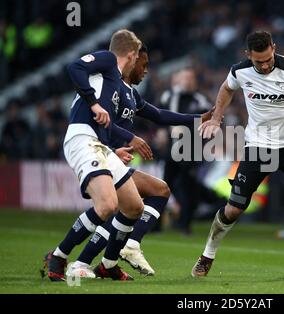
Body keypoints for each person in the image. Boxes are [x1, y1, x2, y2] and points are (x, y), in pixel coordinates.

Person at [193, 30, 284, 280]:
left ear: (274, 48)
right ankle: (207, 255)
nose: (264, 64)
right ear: (248, 55)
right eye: (258, 61)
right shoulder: (240, 71)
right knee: (234, 209)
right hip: (259, 147)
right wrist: (216, 118)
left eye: (268, 58)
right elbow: (226, 89)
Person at [64, 45, 215, 278]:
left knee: (154, 193)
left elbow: (158, 115)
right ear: (132, 60)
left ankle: (113, 256)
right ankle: (75, 259)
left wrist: (198, 118)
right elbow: (100, 122)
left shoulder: (130, 93)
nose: (145, 71)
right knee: (115, 208)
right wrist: (126, 140)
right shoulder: (104, 81)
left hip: (109, 153)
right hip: (96, 150)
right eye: (143, 65)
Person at [42, 29, 145, 281]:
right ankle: (59, 255)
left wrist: (113, 146)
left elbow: (105, 120)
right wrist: (93, 102)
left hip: (100, 144)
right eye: (137, 58)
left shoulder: (113, 81)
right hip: (82, 138)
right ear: (131, 55)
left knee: (134, 206)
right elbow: (74, 66)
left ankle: (107, 265)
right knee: (108, 205)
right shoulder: (109, 60)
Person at [160, 68, 212, 235]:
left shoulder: (201, 101)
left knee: (189, 188)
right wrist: (161, 131)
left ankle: (184, 225)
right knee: (163, 186)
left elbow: (209, 123)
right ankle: (155, 224)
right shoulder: (168, 97)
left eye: (190, 78)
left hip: (191, 151)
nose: (187, 81)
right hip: (171, 149)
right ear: (178, 80)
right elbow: (157, 116)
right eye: (184, 78)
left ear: (195, 82)